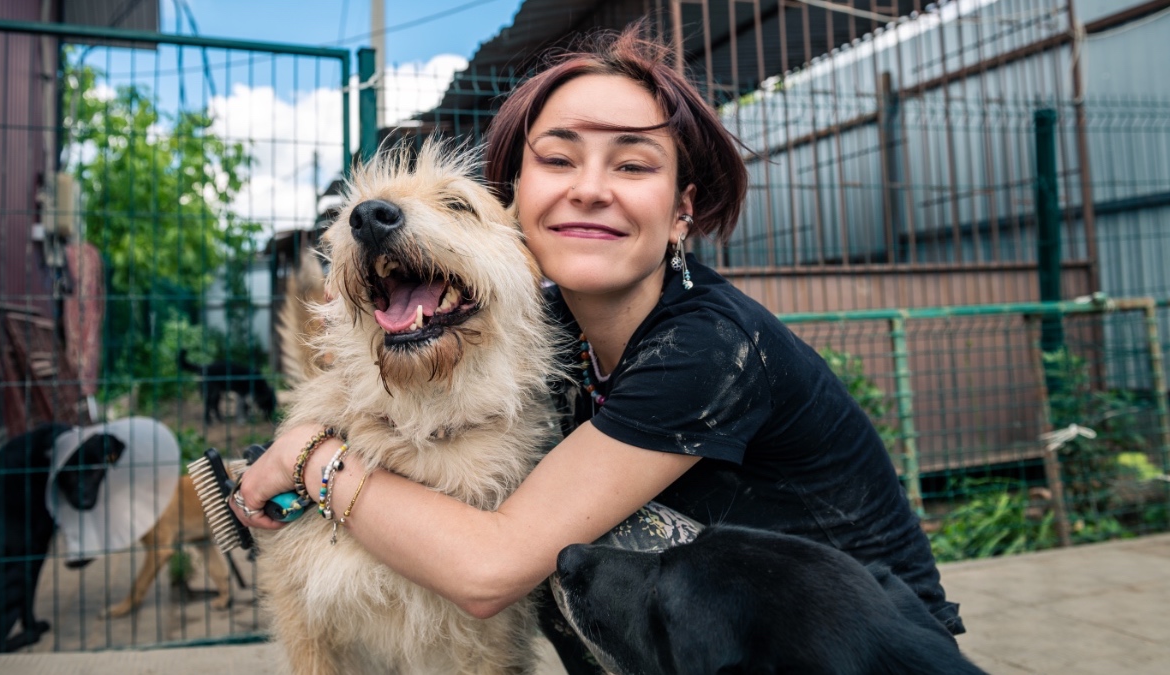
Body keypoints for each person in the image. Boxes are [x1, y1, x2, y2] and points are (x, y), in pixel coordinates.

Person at [233, 24, 963, 672]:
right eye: (558, 159)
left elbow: (490, 567)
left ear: (682, 211)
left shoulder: (708, 349)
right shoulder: (544, 332)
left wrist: (312, 457)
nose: (588, 188)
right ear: (519, 208)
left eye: (633, 165)